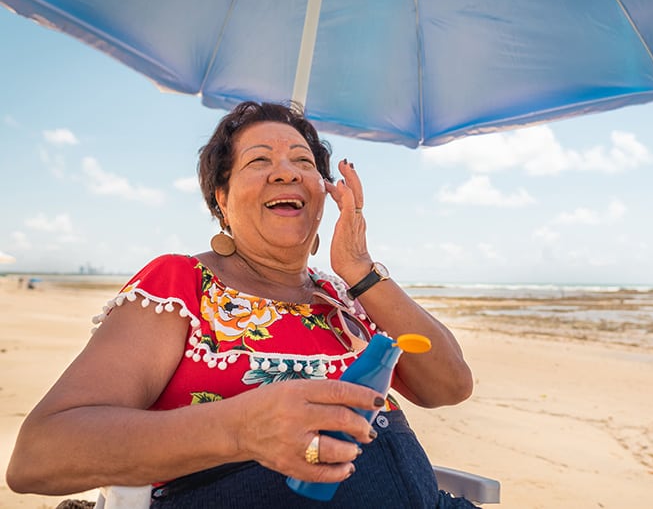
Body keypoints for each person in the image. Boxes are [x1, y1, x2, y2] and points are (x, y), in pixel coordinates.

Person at [6, 101, 475, 508]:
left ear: (323, 195)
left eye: (303, 160)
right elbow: (39, 456)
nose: (286, 171)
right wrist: (239, 429)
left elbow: (449, 385)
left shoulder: (343, 297)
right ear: (222, 199)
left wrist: (359, 269)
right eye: (259, 160)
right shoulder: (182, 283)